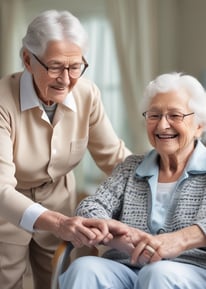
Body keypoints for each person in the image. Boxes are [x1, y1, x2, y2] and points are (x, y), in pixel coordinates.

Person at [0, 9, 131, 289]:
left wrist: (169, 175)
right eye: (55, 66)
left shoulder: (87, 94)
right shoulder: (2, 103)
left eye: (75, 67)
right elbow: (1, 189)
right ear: (27, 59)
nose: (66, 79)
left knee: (60, 280)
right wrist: (58, 223)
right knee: (7, 280)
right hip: (7, 209)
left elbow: (115, 158)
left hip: (59, 200)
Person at [59, 72, 206, 289]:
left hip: (189, 270)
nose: (162, 125)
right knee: (84, 268)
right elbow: (90, 207)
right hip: (126, 267)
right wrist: (115, 233)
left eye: (175, 115)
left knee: (157, 273)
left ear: (199, 126)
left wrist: (179, 240)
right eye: (154, 115)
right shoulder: (131, 167)